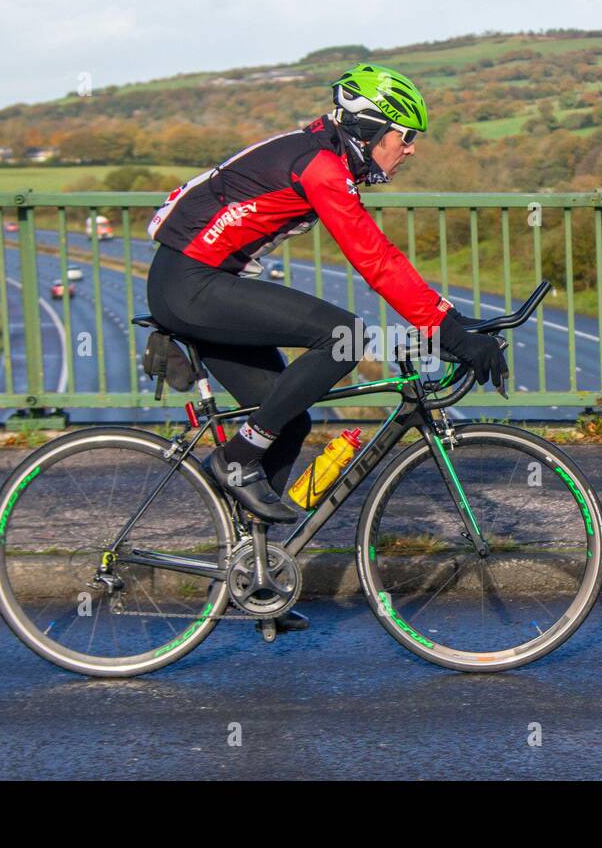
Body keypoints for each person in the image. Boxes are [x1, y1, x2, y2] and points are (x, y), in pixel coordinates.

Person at [145, 63, 507, 523]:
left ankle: (246, 560)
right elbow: (374, 258)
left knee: (288, 420)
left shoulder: (319, 153)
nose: (411, 150)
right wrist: (448, 333)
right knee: (345, 336)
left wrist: (451, 321)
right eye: (406, 137)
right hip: (191, 286)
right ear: (373, 129)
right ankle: (235, 462)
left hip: (198, 283)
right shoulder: (320, 167)